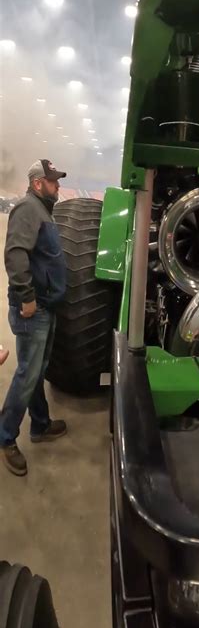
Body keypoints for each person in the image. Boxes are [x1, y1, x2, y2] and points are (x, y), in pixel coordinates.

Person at [0, 159, 68, 476]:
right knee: (27, 374)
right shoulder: (28, 208)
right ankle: (5, 437)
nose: (58, 185)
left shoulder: (43, 211)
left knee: (37, 370)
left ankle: (40, 424)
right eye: (53, 181)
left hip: (45, 305)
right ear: (38, 183)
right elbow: (15, 255)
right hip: (33, 308)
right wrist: (26, 297)